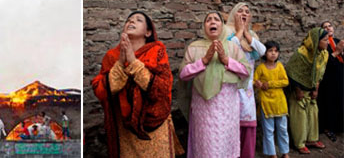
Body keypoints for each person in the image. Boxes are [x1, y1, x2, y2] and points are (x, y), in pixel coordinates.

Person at [92, 11, 179, 158]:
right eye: (129, 20)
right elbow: (102, 91)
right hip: (126, 130)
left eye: (138, 20)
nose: (131, 22)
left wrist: (133, 62)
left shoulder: (157, 51)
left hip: (155, 127)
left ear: (148, 32)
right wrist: (120, 62)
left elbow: (162, 89)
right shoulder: (112, 56)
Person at [179, 11, 250, 158]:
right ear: (204, 27)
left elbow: (245, 72)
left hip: (227, 109)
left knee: (224, 145)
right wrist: (204, 60)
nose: (212, 22)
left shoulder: (232, 47)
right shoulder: (194, 47)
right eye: (208, 20)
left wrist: (226, 60)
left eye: (217, 19)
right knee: (207, 146)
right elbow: (183, 74)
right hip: (203, 109)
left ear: (222, 26)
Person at [225, 3, 266, 158]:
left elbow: (262, 51)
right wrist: (239, 30)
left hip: (247, 88)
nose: (244, 14)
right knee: (231, 126)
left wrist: (247, 34)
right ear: (234, 14)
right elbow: (229, 49)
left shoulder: (253, 37)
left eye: (247, 12)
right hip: (231, 88)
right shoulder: (226, 32)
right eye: (240, 11)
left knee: (247, 125)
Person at [285, 28, 329, 154]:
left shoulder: (323, 54)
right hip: (298, 92)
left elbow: (320, 74)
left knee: (313, 115)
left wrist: (316, 89)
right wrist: (298, 90)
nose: (327, 43)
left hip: (312, 91)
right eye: (324, 40)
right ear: (316, 41)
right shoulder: (301, 54)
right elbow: (292, 72)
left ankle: (312, 139)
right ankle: (300, 143)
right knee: (300, 118)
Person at [254, 41, 290, 158]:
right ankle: (272, 153)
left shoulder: (280, 66)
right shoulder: (260, 68)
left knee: (282, 129)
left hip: (279, 103)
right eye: (270, 51)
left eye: (276, 51)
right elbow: (254, 81)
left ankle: (285, 152)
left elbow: (285, 81)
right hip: (266, 103)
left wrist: (270, 84)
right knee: (268, 130)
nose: (273, 54)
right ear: (265, 53)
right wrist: (258, 83)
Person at [317, 21, 344, 142]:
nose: (328, 28)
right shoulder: (322, 45)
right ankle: (329, 127)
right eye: (325, 27)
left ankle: (340, 126)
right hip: (328, 78)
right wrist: (337, 52)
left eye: (330, 26)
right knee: (329, 102)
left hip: (340, 75)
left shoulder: (338, 41)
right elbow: (323, 64)